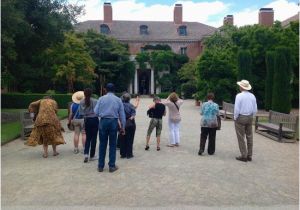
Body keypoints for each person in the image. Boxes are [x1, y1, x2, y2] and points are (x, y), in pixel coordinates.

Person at [94, 83, 126, 173]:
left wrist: (102, 113)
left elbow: (95, 112)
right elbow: (122, 115)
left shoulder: (101, 99)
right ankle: (111, 166)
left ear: (105, 89)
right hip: (113, 122)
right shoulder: (118, 100)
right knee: (112, 144)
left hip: (103, 121)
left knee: (102, 144)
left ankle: (100, 166)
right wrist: (123, 127)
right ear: (114, 90)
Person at [234, 80, 257, 162]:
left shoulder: (239, 96)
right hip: (250, 117)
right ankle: (249, 155)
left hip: (241, 117)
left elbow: (237, 109)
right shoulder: (252, 96)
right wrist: (253, 116)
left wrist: (235, 117)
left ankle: (244, 155)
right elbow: (255, 108)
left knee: (241, 137)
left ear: (241, 87)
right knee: (249, 136)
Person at [79, 88, 99, 163]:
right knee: (94, 138)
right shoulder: (95, 101)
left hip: (87, 120)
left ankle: (86, 154)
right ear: (91, 93)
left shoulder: (81, 102)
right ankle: (92, 155)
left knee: (88, 138)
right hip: (94, 119)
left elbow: (81, 113)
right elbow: (98, 111)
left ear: (84, 94)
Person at [119, 93, 136, 159]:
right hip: (130, 123)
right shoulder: (131, 105)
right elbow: (133, 115)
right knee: (130, 138)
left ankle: (123, 154)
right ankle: (129, 154)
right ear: (129, 99)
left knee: (122, 138)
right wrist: (130, 118)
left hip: (122, 122)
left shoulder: (120, 105)